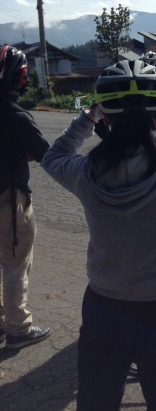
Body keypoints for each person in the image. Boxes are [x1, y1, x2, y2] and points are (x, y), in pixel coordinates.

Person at [41, 59, 156, 411]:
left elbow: (53, 156)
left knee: (97, 402)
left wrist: (88, 116)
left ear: (106, 117)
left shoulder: (84, 172)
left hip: (105, 305)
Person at [0, 45, 51, 349]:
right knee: (15, 264)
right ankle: (18, 329)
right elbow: (44, 153)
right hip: (10, 201)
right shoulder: (18, 117)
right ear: (20, 79)